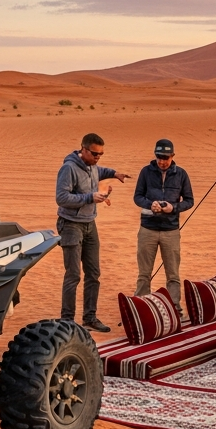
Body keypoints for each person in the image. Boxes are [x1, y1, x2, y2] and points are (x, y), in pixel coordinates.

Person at [56, 133, 129, 332]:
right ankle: (67, 322)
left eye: (101, 154)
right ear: (84, 150)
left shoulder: (92, 166)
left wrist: (115, 173)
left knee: (93, 274)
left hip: (90, 225)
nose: (98, 158)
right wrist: (90, 197)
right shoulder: (69, 168)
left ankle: (89, 318)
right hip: (70, 225)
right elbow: (61, 198)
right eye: (95, 153)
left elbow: (99, 171)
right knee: (73, 275)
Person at [133, 138, 194, 315]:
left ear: (172, 156)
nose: (162, 161)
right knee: (144, 272)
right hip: (147, 229)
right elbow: (137, 196)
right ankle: (141, 305)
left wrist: (172, 207)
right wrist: (149, 204)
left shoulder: (181, 174)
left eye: (166, 157)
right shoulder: (146, 172)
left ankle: (175, 307)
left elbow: (189, 201)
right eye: (159, 157)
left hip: (171, 231)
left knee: (172, 273)